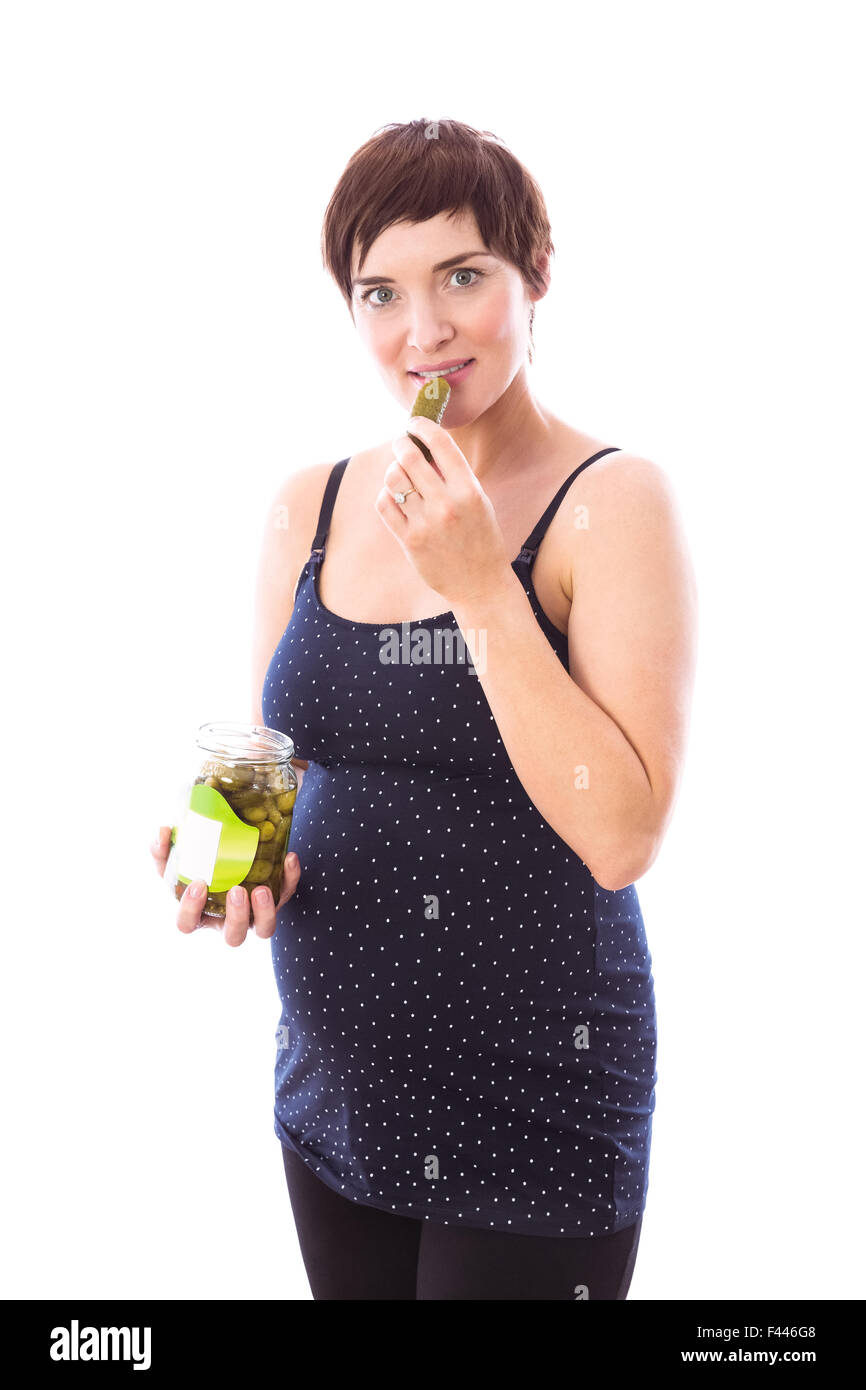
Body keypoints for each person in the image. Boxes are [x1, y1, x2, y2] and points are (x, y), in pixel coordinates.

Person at [152, 117, 698, 1299]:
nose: (423, 330)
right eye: (379, 291)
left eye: (463, 277)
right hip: (335, 1094)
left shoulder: (613, 503)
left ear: (533, 277)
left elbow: (620, 836)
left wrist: (476, 587)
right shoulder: (311, 501)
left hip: (534, 1098)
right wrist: (238, 859)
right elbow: (279, 767)